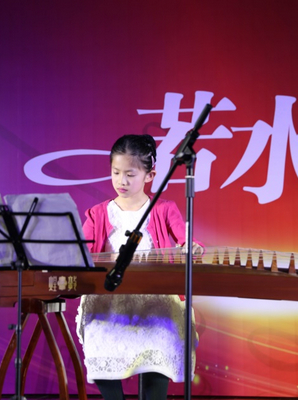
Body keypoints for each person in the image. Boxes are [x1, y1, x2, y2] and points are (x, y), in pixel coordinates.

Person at [76, 134, 202, 400]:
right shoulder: (97, 214)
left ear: (150, 175)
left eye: (130, 174)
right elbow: (80, 252)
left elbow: (185, 240)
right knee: (103, 353)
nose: (121, 181)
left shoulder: (164, 208)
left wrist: (191, 246)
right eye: (116, 172)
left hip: (154, 300)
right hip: (109, 300)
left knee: (155, 368)